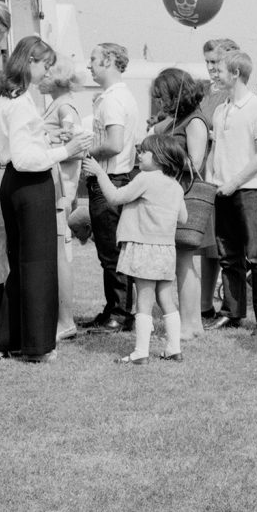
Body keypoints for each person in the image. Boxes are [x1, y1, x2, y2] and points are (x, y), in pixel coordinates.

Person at [0, 36, 91, 362]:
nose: (47, 72)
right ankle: (36, 346)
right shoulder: (20, 102)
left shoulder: (7, 95)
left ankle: (6, 340)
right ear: (30, 60)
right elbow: (24, 158)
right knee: (38, 267)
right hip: (30, 185)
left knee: (21, 266)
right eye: (45, 65)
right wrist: (66, 150)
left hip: (16, 185)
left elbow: (22, 144)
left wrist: (47, 136)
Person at [83, 134, 189, 363]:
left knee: (144, 298)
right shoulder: (177, 186)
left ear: (159, 157)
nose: (139, 154)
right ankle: (174, 348)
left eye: (144, 151)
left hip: (145, 249)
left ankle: (140, 352)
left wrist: (99, 172)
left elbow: (114, 197)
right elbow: (183, 217)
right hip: (166, 250)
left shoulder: (145, 178)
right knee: (166, 298)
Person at [204, 50, 257, 335]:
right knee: (228, 254)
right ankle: (232, 311)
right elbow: (216, 149)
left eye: (219, 69)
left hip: (249, 191)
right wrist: (212, 177)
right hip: (222, 190)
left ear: (235, 73)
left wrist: (234, 181)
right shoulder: (221, 108)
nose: (214, 73)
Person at [82, 43, 140, 333]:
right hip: (114, 179)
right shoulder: (116, 96)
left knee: (111, 252)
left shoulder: (112, 100)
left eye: (93, 59)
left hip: (109, 180)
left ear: (108, 61)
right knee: (109, 251)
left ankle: (120, 312)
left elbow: (114, 144)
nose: (88, 65)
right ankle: (113, 308)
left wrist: (87, 151)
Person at [150, 67, 209, 339]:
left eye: (163, 97)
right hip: (173, 195)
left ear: (176, 93)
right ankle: (193, 323)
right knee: (183, 263)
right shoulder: (177, 120)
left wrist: (162, 153)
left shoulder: (194, 122)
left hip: (185, 195)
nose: (161, 103)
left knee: (184, 262)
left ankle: (189, 324)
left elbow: (195, 163)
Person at [40, 54, 85, 341]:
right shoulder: (58, 105)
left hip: (59, 189)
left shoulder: (65, 107)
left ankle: (66, 321)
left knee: (60, 258)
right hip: (56, 187)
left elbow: (78, 146)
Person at [198, 38, 240, 319]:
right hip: (203, 169)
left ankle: (230, 303)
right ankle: (203, 303)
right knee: (206, 243)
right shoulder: (208, 93)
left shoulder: (232, 94)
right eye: (208, 63)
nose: (212, 68)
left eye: (216, 62)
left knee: (223, 244)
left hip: (223, 172)